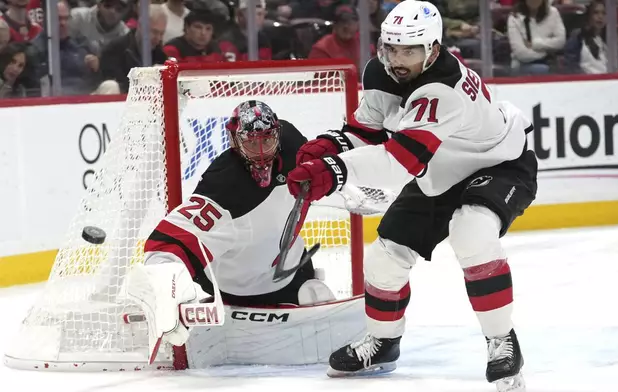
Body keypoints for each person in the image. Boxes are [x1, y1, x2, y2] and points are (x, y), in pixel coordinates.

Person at [286, 1, 537, 391]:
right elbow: (368, 131)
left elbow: (397, 162)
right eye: (392, 48)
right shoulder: (380, 71)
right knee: (384, 258)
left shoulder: (443, 88)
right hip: (439, 170)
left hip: (498, 165)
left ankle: (501, 341)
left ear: (433, 50)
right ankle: (384, 341)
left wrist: (333, 171)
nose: (398, 60)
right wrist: (328, 147)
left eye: (410, 51)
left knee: (472, 232)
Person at [124, 100, 366, 367]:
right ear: (234, 140)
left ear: (278, 134)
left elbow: (336, 157)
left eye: (268, 139)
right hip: (231, 294)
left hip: (290, 275)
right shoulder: (223, 185)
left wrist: (345, 181)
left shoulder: (295, 145)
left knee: (316, 294)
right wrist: (165, 286)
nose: (261, 151)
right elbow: (165, 244)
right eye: (251, 141)